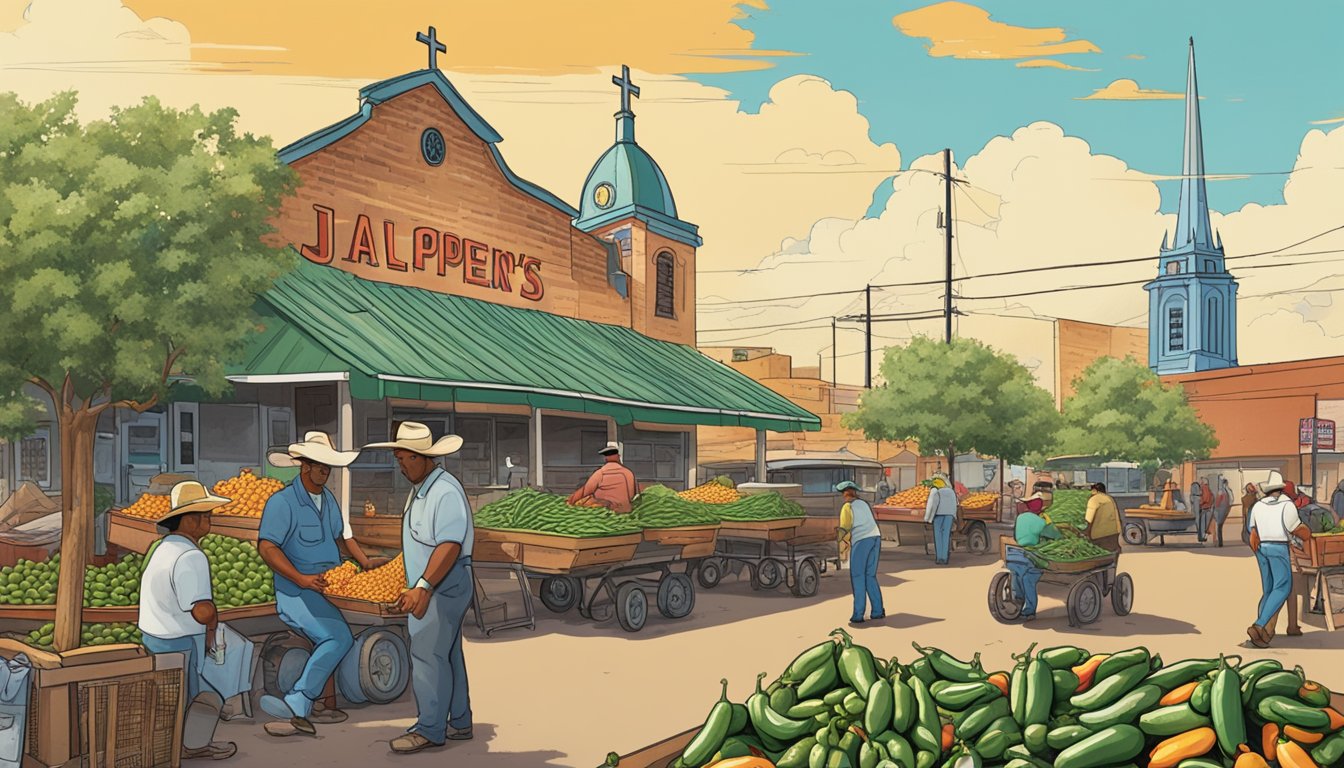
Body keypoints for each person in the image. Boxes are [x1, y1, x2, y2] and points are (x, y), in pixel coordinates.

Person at [257, 432, 380, 736]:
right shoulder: (282, 503)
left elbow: (342, 537)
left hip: (330, 588)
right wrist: (301, 578)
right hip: (296, 591)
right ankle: (300, 699)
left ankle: (319, 702)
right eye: (320, 466)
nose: (325, 472)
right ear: (304, 466)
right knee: (337, 638)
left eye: (328, 467)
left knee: (340, 634)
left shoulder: (328, 500)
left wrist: (363, 562)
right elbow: (267, 547)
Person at [363, 421, 474, 754]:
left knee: (427, 651)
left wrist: (423, 586)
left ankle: (430, 727)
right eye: (398, 459)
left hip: (444, 580)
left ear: (426, 458)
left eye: (407, 458)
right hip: (433, 580)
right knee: (448, 652)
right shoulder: (422, 489)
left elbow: (449, 545)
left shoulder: (444, 490)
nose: (402, 465)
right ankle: (459, 721)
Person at [137, 481, 236, 761]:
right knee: (191, 698)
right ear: (190, 520)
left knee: (171, 699)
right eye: (206, 516)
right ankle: (190, 747)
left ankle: (175, 746)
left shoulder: (163, 548)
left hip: (154, 636)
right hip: (178, 641)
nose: (209, 521)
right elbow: (201, 611)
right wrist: (214, 624)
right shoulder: (191, 555)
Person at [1246, 479, 1313, 648]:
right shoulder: (1286, 504)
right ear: (1281, 490)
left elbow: (1251, 530)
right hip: (1278, 547)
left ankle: (1263, 634)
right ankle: (1260, 625)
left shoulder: (1258, 505)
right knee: (1282, 587)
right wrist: (1307, 533)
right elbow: (1296, 528)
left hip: (1261, 548)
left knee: (1268, 590)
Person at [1004, 499, 1062, 621]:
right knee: (1028, 579)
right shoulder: (1040, 522)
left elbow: (1015, 535)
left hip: (1014, 555)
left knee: (1016, 576)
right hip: (1030, 558)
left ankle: (1017, 601)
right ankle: (1029, 611)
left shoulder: (1020, 518)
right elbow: (1057, 536)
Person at [836, 481, 884, 624]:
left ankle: (858, 614)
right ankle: (878, 611)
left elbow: (845, 527)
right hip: (875, 537)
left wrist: (838, 539)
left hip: (861, 541)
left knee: (857, 576)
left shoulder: (847, 507)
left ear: (844, 493)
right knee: (870, 576)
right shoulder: (863, 504)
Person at [567, 441, 637, 513]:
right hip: (625, 509)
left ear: (605, 458)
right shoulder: (628, 473)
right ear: (618, 457)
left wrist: (570, 501)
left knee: (586, 501)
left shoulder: (601, 473)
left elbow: (585, 491)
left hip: (606, 510)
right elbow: (632, 494)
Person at [924, 474, 958, 565]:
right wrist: (954, 516)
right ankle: (945, 557)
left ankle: (939, 558)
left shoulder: (937, 492)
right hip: (949, 515)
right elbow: (955, 504)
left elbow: (934, 506)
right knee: (946, 535)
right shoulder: (951, 492)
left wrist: (929, 519)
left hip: (939, 514)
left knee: (938, 535)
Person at [1084, 482, 1122, 552]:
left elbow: (1089, 519)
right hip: (1113, 532)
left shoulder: (1093, 500)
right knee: (1113, 552)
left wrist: (1085, 532)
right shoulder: (1109, 498)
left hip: (1099, 535)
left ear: (1095, 490)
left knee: (1100, 553)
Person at [1212, 476, 1233, 547]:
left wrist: (1215, 507)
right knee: (1220, 527)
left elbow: (1217, 502)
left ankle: (1219, 542)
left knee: (1218, 527)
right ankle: (1220, 542)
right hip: (1225, 509)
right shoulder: (1228, 490)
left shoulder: (1221, 491)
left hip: (1219, 510)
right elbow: (1231, 500)